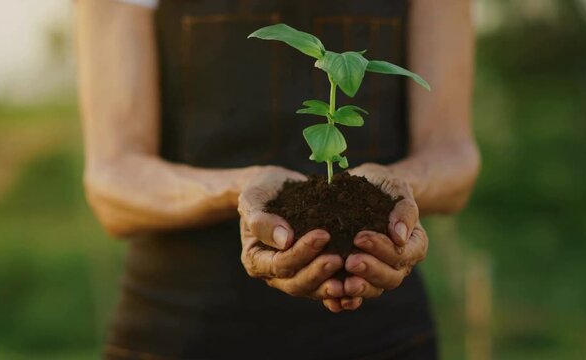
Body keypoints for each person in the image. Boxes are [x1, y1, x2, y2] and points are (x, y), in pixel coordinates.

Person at [75, 0, 479, 358]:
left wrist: (393, 187)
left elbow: (454, 158)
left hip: (380, 333)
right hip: (178, 328)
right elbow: (112, 182)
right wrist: (244, 191)